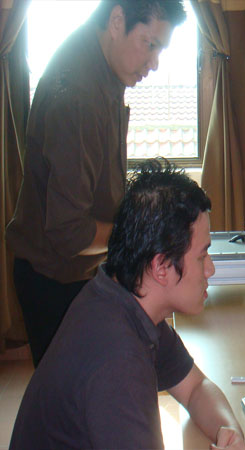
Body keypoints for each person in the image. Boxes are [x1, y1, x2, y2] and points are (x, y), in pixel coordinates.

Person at [10, 158, 245, 450]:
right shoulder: (118, 361)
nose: (210, 269)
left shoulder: (122, 297)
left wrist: (229, 431)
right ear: (161, 267)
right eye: (202, 256)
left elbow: (196, 387)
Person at [6, 0, 186, 367]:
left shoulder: (101, 64)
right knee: (77, 395)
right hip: (54, 280)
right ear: (117, 20)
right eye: (150, 44)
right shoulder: (79, 94)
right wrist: (138, 235)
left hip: (77, 271)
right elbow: (69, 232)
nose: (154, 63)